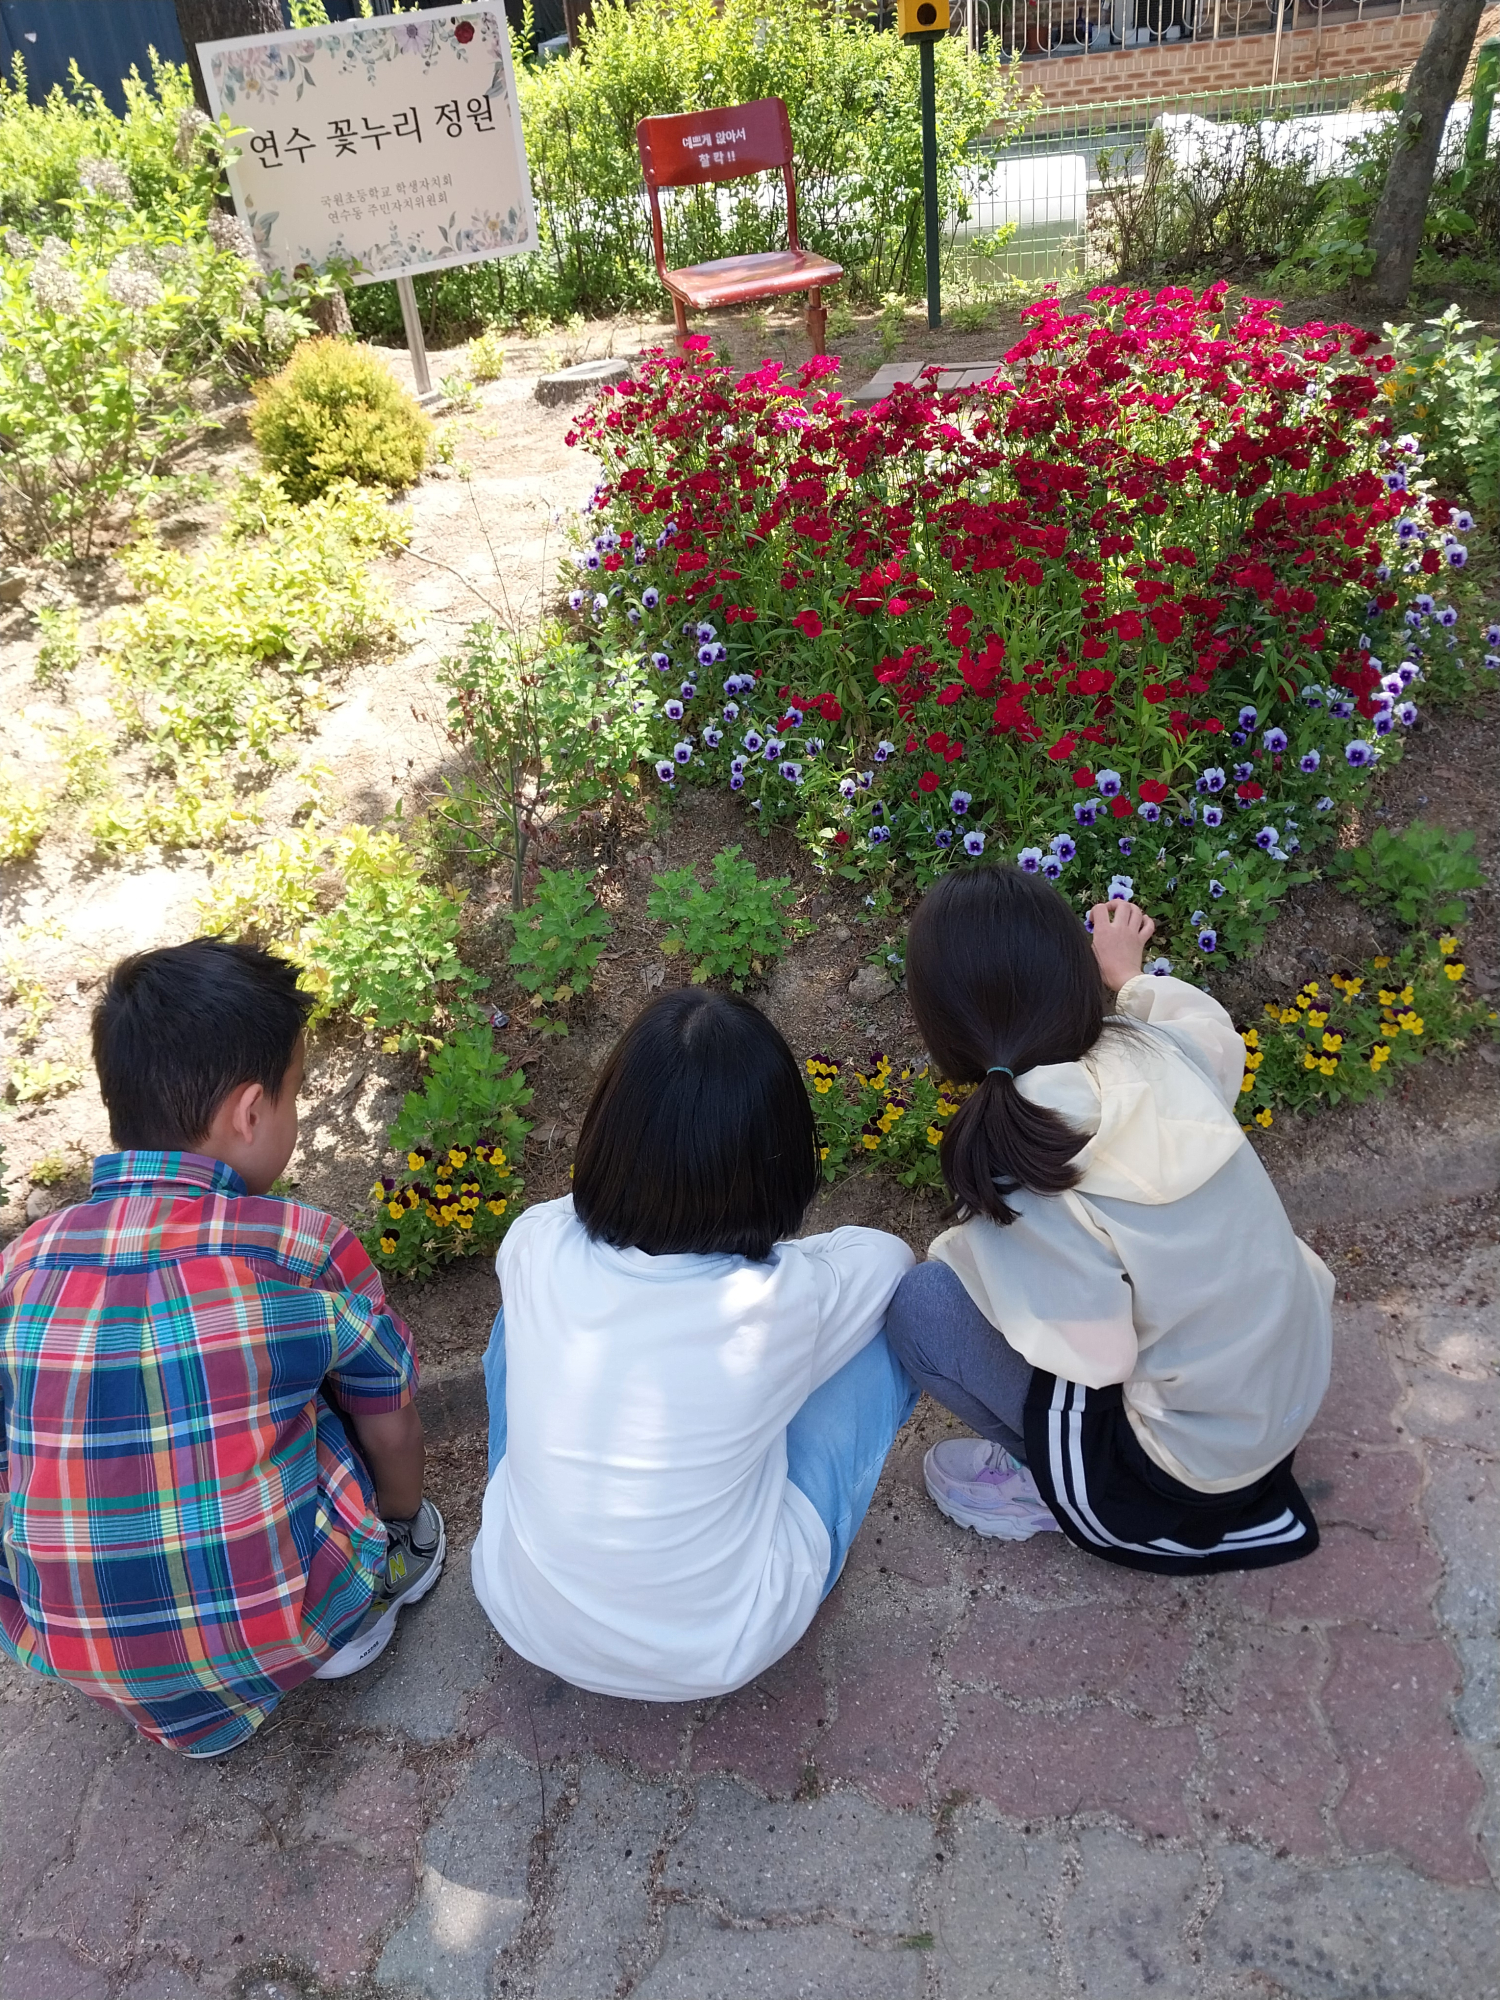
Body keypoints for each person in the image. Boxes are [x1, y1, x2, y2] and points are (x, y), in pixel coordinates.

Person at [0, 939, 444, 1758]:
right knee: (338, 1388)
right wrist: (403, 1522)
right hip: (285, 1623)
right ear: (250, 1113)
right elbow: (395, 1421)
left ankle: (183, 1707)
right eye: (297, 1095)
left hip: (71, 1646)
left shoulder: (24, 1262)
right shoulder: (300, 1250)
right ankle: (361, 1612)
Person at [884, 867, 1333, 1574]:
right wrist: (1130, 976)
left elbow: (1098, 1359)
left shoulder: (1024, 1157)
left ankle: (1053, 1489)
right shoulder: (1154, 1051)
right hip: (1287, 1385)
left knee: (925, 1306)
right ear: (1073, 970)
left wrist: (992, 1277)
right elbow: (1212, 1032)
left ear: (938, 1026)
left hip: (1185, 1471)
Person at [471, 988, 916, 1700]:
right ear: (778, 1160)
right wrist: (793, 1258)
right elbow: (889, 1259)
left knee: (513, 1323)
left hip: (522, 1611)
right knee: (895, 1322)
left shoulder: (535, 1242)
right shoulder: (786, 1301)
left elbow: (569, 1213)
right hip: (723, 1645)